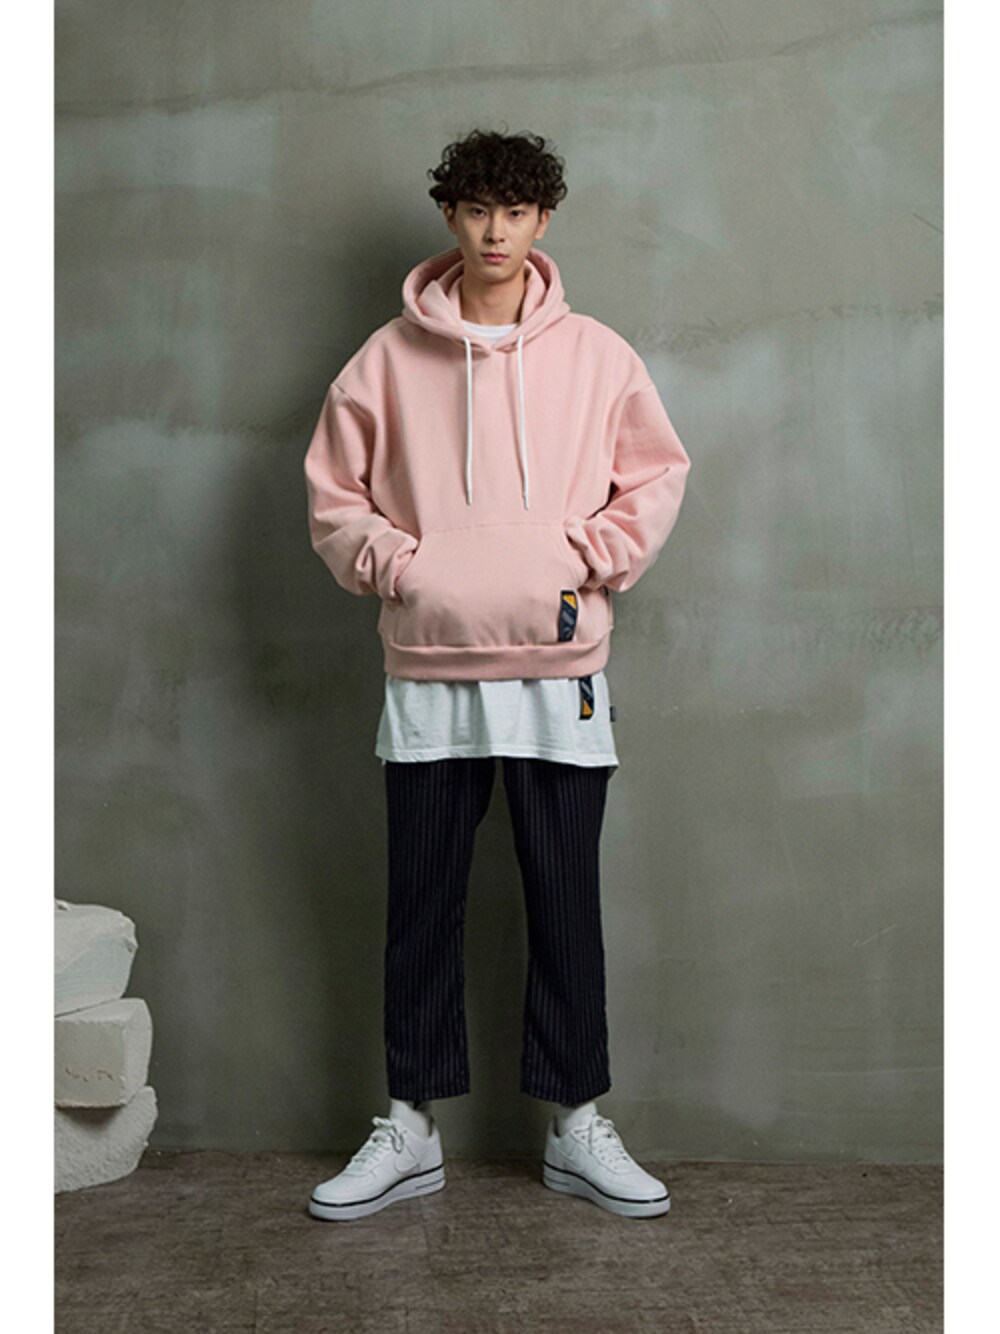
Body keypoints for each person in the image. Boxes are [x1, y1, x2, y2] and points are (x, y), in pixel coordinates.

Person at [302, 127, 691, 1222]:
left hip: (560, 667)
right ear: (451, 216)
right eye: (476, 209)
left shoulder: (598, 355)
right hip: (429, 669)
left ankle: (575, 1124)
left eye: (515, 211)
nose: (494, 231)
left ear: (542, 221)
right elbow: (334, 495)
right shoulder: (385, 359)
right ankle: (410, 1125)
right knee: (420, 902)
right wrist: (402, 568)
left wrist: (585, 557)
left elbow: (655, 476)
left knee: (564, 899)